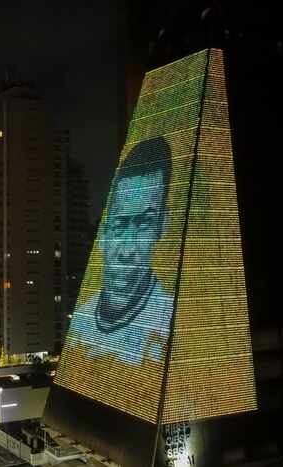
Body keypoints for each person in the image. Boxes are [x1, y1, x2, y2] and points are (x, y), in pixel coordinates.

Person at [69, 137, 175, 366]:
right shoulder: (80, 322)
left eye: (144, 223)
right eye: (119, 225)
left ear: (162, 225)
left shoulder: (172, 323)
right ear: (103, 234)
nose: (127, 249)